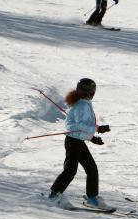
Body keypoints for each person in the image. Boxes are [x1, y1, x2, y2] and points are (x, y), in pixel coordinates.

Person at [48, 78, 111, 210]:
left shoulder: (83, 103)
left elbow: (80, 125)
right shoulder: (82, 105)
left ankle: (92, 198)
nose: (93, 93)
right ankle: (54, 195)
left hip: (77, 140)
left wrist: (92, 137)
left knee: (91, 169)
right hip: (73, 141)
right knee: (71, 170)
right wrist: (97, 129)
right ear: (87, 91)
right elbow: (81, 125)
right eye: (92, 91)